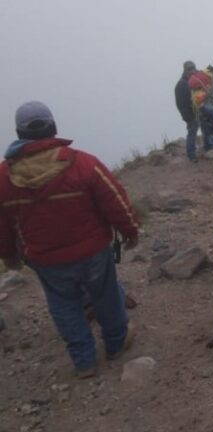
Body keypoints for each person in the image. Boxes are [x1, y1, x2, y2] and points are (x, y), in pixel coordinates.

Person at [0, 102, 140, 378]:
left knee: (63, 305)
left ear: (19, 133)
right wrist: (130, 230)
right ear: (52, 127)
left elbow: (2, 224)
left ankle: (84, 361)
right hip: (93, 250)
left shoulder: (4, 177)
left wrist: (8, 255)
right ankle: (115, 343)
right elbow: (115, 200)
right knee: (106, 294)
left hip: (45, 258)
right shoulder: (82, 163)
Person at [175, 60, 203, 162]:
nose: (192, 71)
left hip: (195, 111)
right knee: (192, 131)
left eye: (193, 68)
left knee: (194, 130)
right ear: (185, 70)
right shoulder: (182, 84)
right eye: (189, 69)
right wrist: (187, 116)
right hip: (189, 114)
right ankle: (191, 155)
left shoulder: (190, 81)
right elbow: (181, 103)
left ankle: (196, 151)